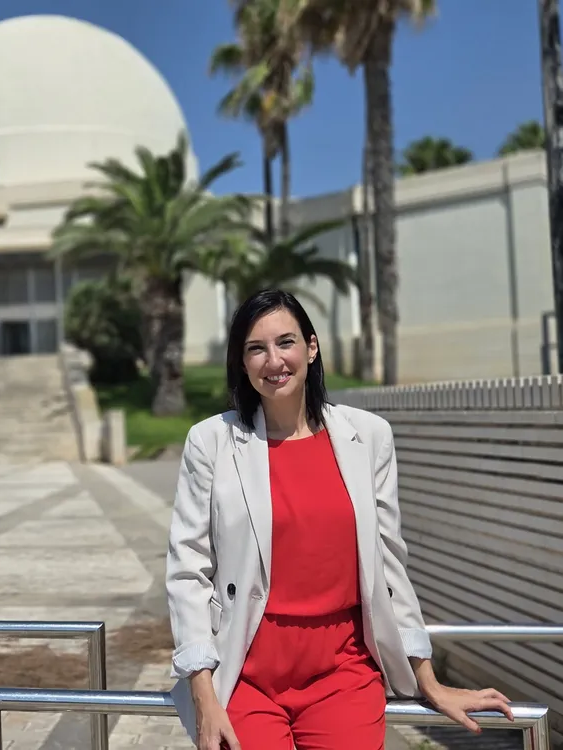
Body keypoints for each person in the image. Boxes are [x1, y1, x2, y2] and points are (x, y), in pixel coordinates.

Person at [165, 289, 514, 750]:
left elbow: (389, 565)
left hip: (342, 670)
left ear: (311, 348)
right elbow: (188, 569)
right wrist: (204, 694)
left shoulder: (368, 437)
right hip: (246, 669)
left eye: (286, 342)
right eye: (256, 348)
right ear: (242, 363)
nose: (274, 361)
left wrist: (427, 679)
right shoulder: (210, 441)